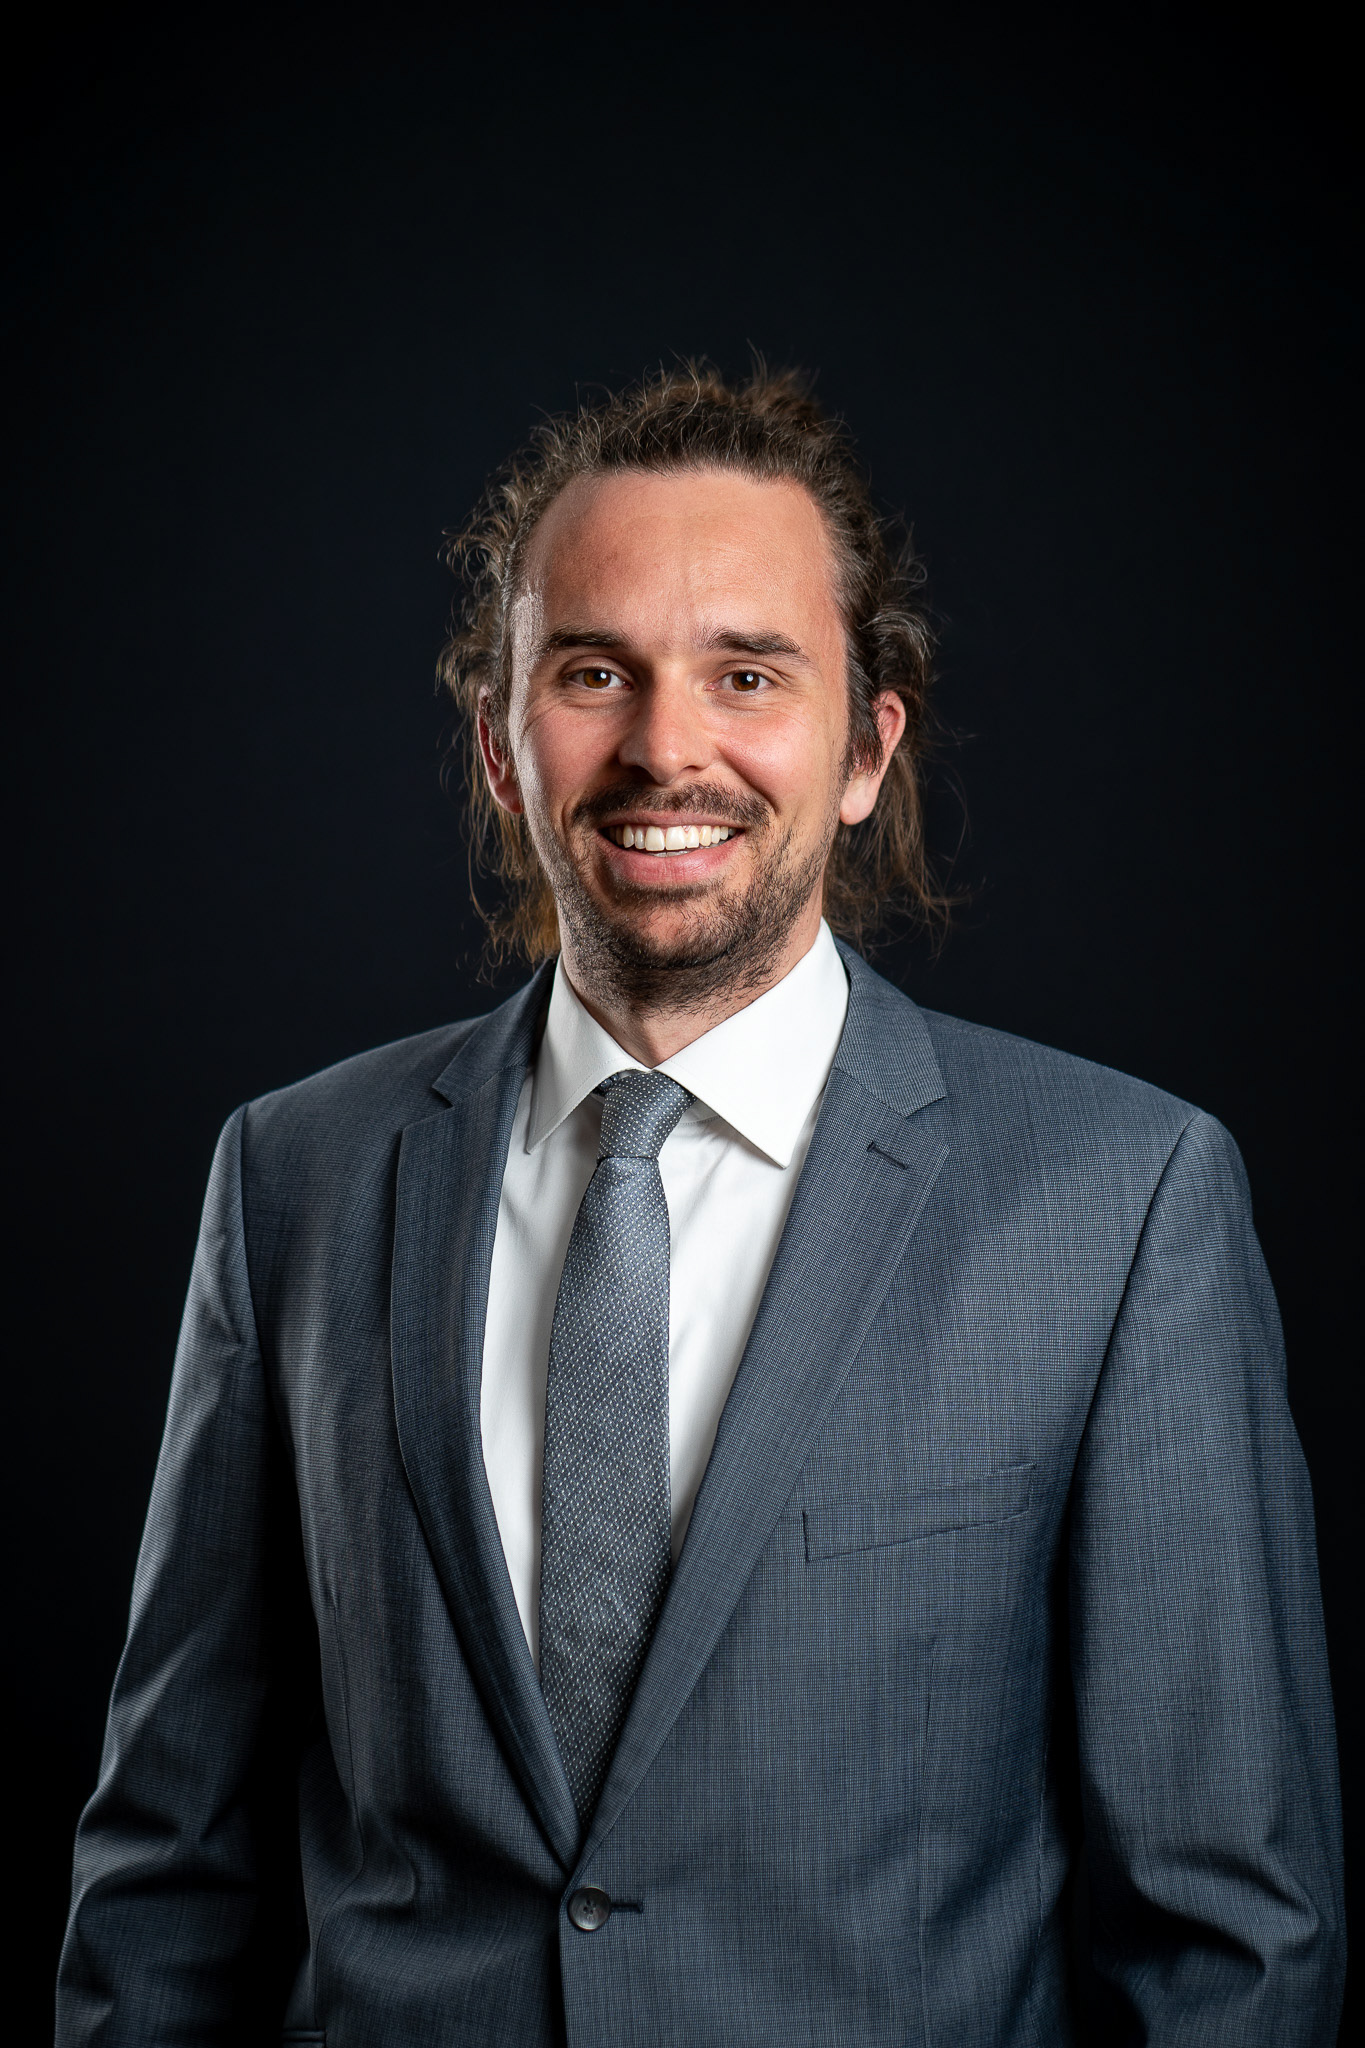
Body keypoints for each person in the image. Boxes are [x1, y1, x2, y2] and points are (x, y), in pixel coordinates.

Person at [57, 366, 1344, 2046]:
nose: (667, 747)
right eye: (593, 673)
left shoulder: (1117, 1201)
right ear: (500, 747)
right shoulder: (294, 1175)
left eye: (747, 674)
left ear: (865, 748)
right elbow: (169, 1867)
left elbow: (1230, 1941)